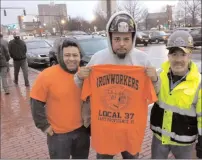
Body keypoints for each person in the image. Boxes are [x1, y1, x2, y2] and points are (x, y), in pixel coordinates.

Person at [74, 11, 158, 159]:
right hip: (105, 130)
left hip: (130, 129)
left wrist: (155, 79)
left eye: (126, 39)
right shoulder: (98, 59)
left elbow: (156, 93)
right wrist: (80, 77)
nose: (121, 44)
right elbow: (82, 88)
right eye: (117, 39)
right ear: (109, 37)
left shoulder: (143, 60)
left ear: (132, 38)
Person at [30, 39, 90, 159]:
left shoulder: (84, 75)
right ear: (60, 57)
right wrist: (44, 126)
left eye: (75, 55)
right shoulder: (46, 75)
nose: (71, 59)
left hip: (82, 131)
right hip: (58, 134)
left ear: (80, 56)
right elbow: (35, 102)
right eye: (67, 55)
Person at [150, 30, 202, 159]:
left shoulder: (199, 83)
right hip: (158, 139)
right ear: (168, 56)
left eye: (182, 54)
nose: (178, 60)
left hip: (184, 144)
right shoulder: (159, 75)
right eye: (174, 54)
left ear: (189, 55)